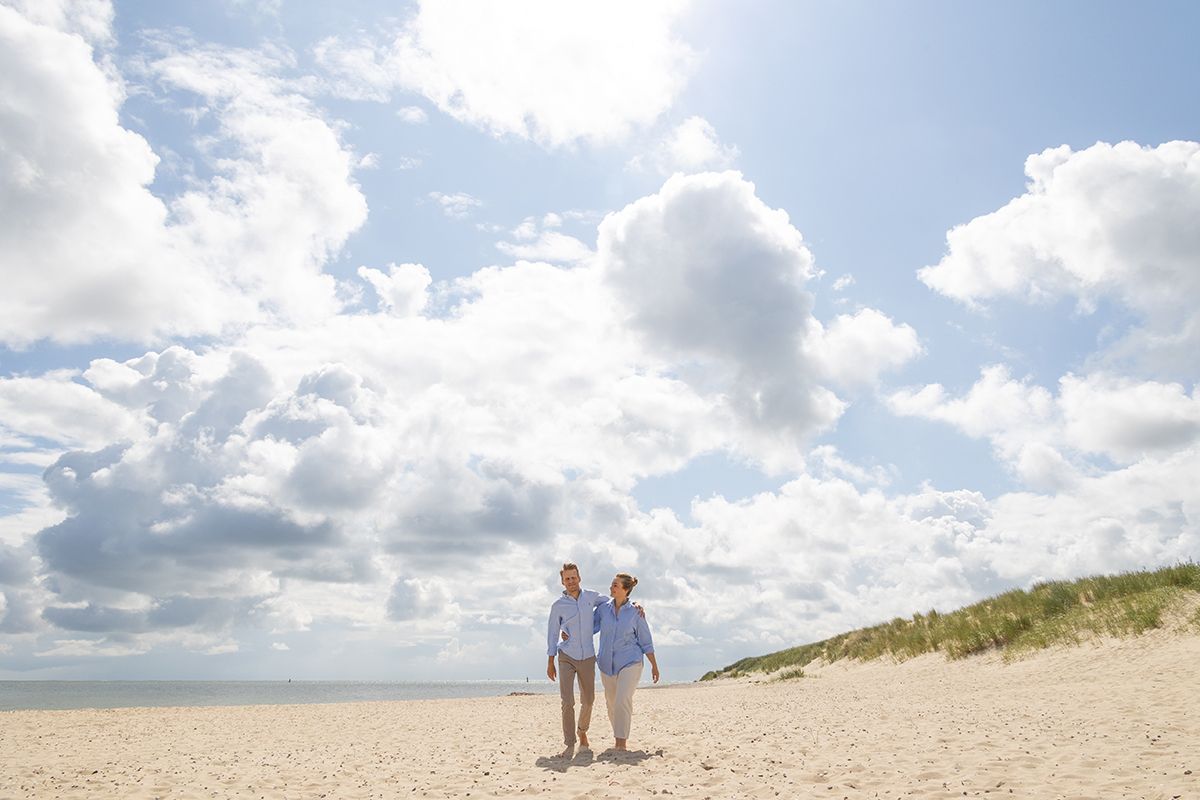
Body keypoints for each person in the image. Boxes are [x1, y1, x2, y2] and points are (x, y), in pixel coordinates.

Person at [545, 562, 609, 757]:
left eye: (573, 577)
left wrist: (634, 605)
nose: (571, 581)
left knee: (588, 700)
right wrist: (550, 660)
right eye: (567, 579)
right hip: (566, 656)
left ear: (579, 578)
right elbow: (553, 632)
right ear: (562, 582)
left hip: (588, 655)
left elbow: (611, 604)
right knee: (567, 701)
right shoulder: (558, 606)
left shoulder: (592, 597)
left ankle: (582, 731)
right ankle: (570, 743)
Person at [594, 572, 660, 751]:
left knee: (622, 699)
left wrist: (654, 665)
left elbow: (645, 640)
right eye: (612, 584)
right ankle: (619, 733)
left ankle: (620, 742)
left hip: (630, 661)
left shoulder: (635, 612)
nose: (611, 588)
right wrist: (568, 632)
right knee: (611, 701)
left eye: (615, 585)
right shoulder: (602, 609)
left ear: (625, 590)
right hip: (607, 663)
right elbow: (588, 627)